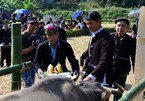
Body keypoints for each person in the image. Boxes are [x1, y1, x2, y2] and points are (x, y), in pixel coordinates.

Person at [80, 11, 114, 91]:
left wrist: (90, 77)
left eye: (91, 23)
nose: (89, 26)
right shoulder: (94, 34)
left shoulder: (106, 38)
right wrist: (83, 57)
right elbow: (93, 48)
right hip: (92, 71)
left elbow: (104, 61)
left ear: (99, 22)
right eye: (87, 23)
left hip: (102, 75)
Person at [111, 18, 136, 101]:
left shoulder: (131, 41)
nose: (120, 28)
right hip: (108, 69)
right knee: (105, 91)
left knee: (118, 92)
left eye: (123, 26)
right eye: (118, 25)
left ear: (127, 28)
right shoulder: (109, 37)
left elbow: (133, 56)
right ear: (115, 27)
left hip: (122, 70)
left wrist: (135, 71)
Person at [21, 17, 39, 87]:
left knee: (32, 85)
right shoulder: (22, 36)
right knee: (29, 86)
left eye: (35, 24)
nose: (33, 26)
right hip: (24, 64)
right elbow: (20, 52)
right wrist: (32, 47)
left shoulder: (35, 36)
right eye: (32, 24)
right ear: (27, 24)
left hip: (32, 63)